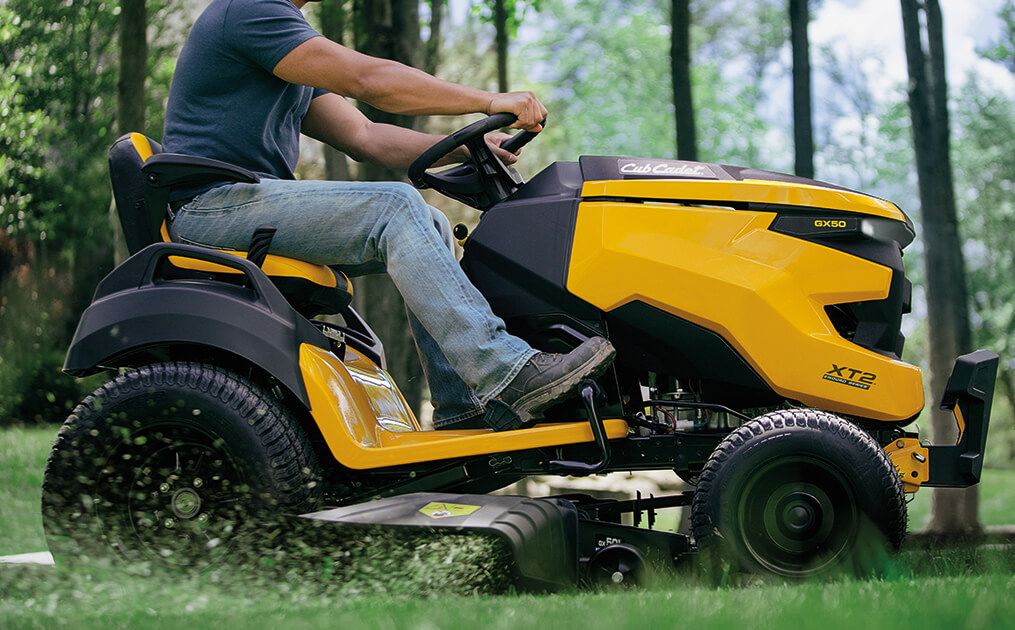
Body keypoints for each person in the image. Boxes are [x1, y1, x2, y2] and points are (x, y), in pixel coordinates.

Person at [161, 0, 614, 431]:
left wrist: (471, 147)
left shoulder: (286, 45)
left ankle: (466, 405)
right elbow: (371, 81)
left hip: (245, 202)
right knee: (395, 206)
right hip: (209, 206)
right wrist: (489, 100)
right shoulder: (250, 12)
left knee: (431, 222)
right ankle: (505, 371)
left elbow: (365, 135)